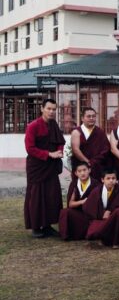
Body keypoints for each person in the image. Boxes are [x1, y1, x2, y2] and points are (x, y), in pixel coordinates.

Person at [24, 98, 65, 238]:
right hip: (37, 166)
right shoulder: (33, 126)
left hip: (51, 166)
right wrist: (49, 154)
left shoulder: (54, 125)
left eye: (54, 109)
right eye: (49, 108)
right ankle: (36, 226)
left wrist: (59, 151)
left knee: (51, 195)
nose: (52, 112)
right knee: (36, 196)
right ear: (42, 109)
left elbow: (60, 141)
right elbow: (30, 148)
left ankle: (47, 225)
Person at [83, 169, 119, 248]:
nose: (111, 181)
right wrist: (101, 213)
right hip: (101, 218)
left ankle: (117, 242)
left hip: (114, 217)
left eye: (113, 178)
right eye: (108, 178)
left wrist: (110, 210)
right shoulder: (97, 190)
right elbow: (87, 207)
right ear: (102, 180)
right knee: (95, 232)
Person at [59, 162, 99, 240]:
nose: (82, 173)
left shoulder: (95, 184)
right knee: (64, 212)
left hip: (91, 216)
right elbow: (70, 204)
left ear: (89, 170)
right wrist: (82, 201)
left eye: (84, 170)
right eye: (79, 171)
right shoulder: (74, 184)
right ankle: (65, 235)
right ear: (76, 173)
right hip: (78, 213)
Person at [70, 107, 110, 181]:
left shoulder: (100, 132)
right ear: (82, 118)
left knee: (96, 188)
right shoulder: (77, 132)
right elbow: (76, 150)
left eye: (93, 116)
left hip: (97, 166)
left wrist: (94, 162)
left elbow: (106, 149)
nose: (91, 118)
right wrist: (88, 162)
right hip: (82, 166)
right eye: (89, 116)